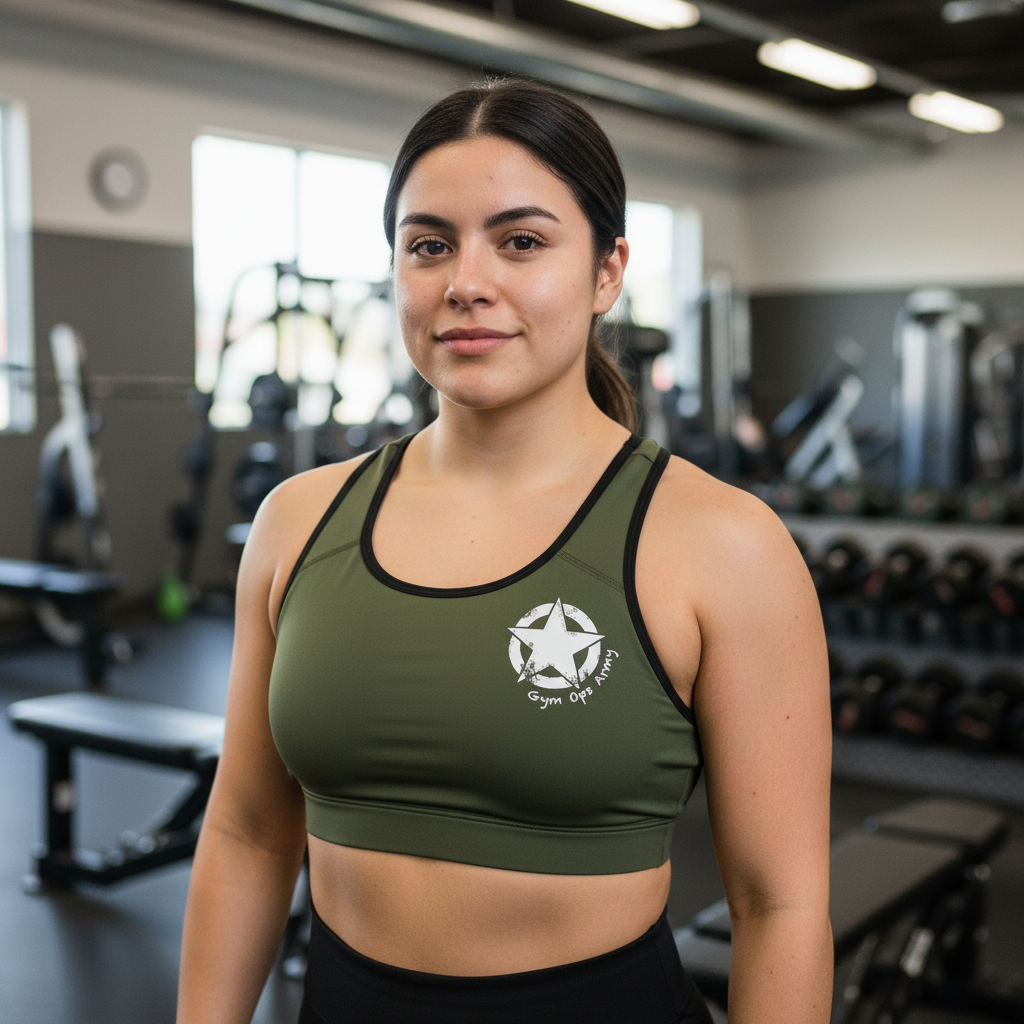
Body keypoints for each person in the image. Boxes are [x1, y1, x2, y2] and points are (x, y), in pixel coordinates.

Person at [177, 80, 832, 1024]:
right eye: (429, 245)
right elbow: (246, 834)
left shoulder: (722, 544)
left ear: (607, 272)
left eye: (521, 242)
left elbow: (780, 907)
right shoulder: (299, 521)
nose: (465, 282)